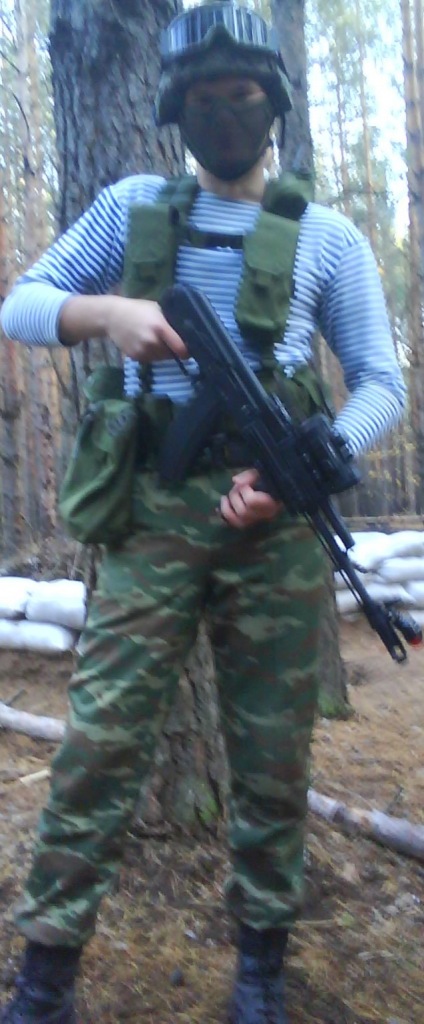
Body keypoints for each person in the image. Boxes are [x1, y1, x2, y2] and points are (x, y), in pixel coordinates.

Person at [0, 3, 405, 1023]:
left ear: (275, 105)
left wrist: (318, 456)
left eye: (245, 95)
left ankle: (260, 968)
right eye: (207, 98)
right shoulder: (133, 207)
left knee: (272, 755)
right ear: (176, 109)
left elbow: (381, 381)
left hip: (273, 526)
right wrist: (107, 313)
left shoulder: (327, 236)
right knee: (101, 740)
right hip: (148, 518)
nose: (228, 113)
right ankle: (46, 975)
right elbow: (22, 302)